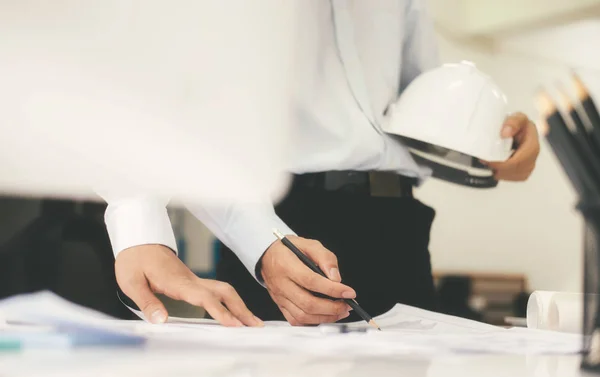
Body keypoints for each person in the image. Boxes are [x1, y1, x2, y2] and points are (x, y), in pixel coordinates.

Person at [100, 0, 540, 326]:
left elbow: (417, 107)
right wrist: (141, 219)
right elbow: (173, 90)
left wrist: (494, 143)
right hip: (281, 221)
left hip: (399, 226)